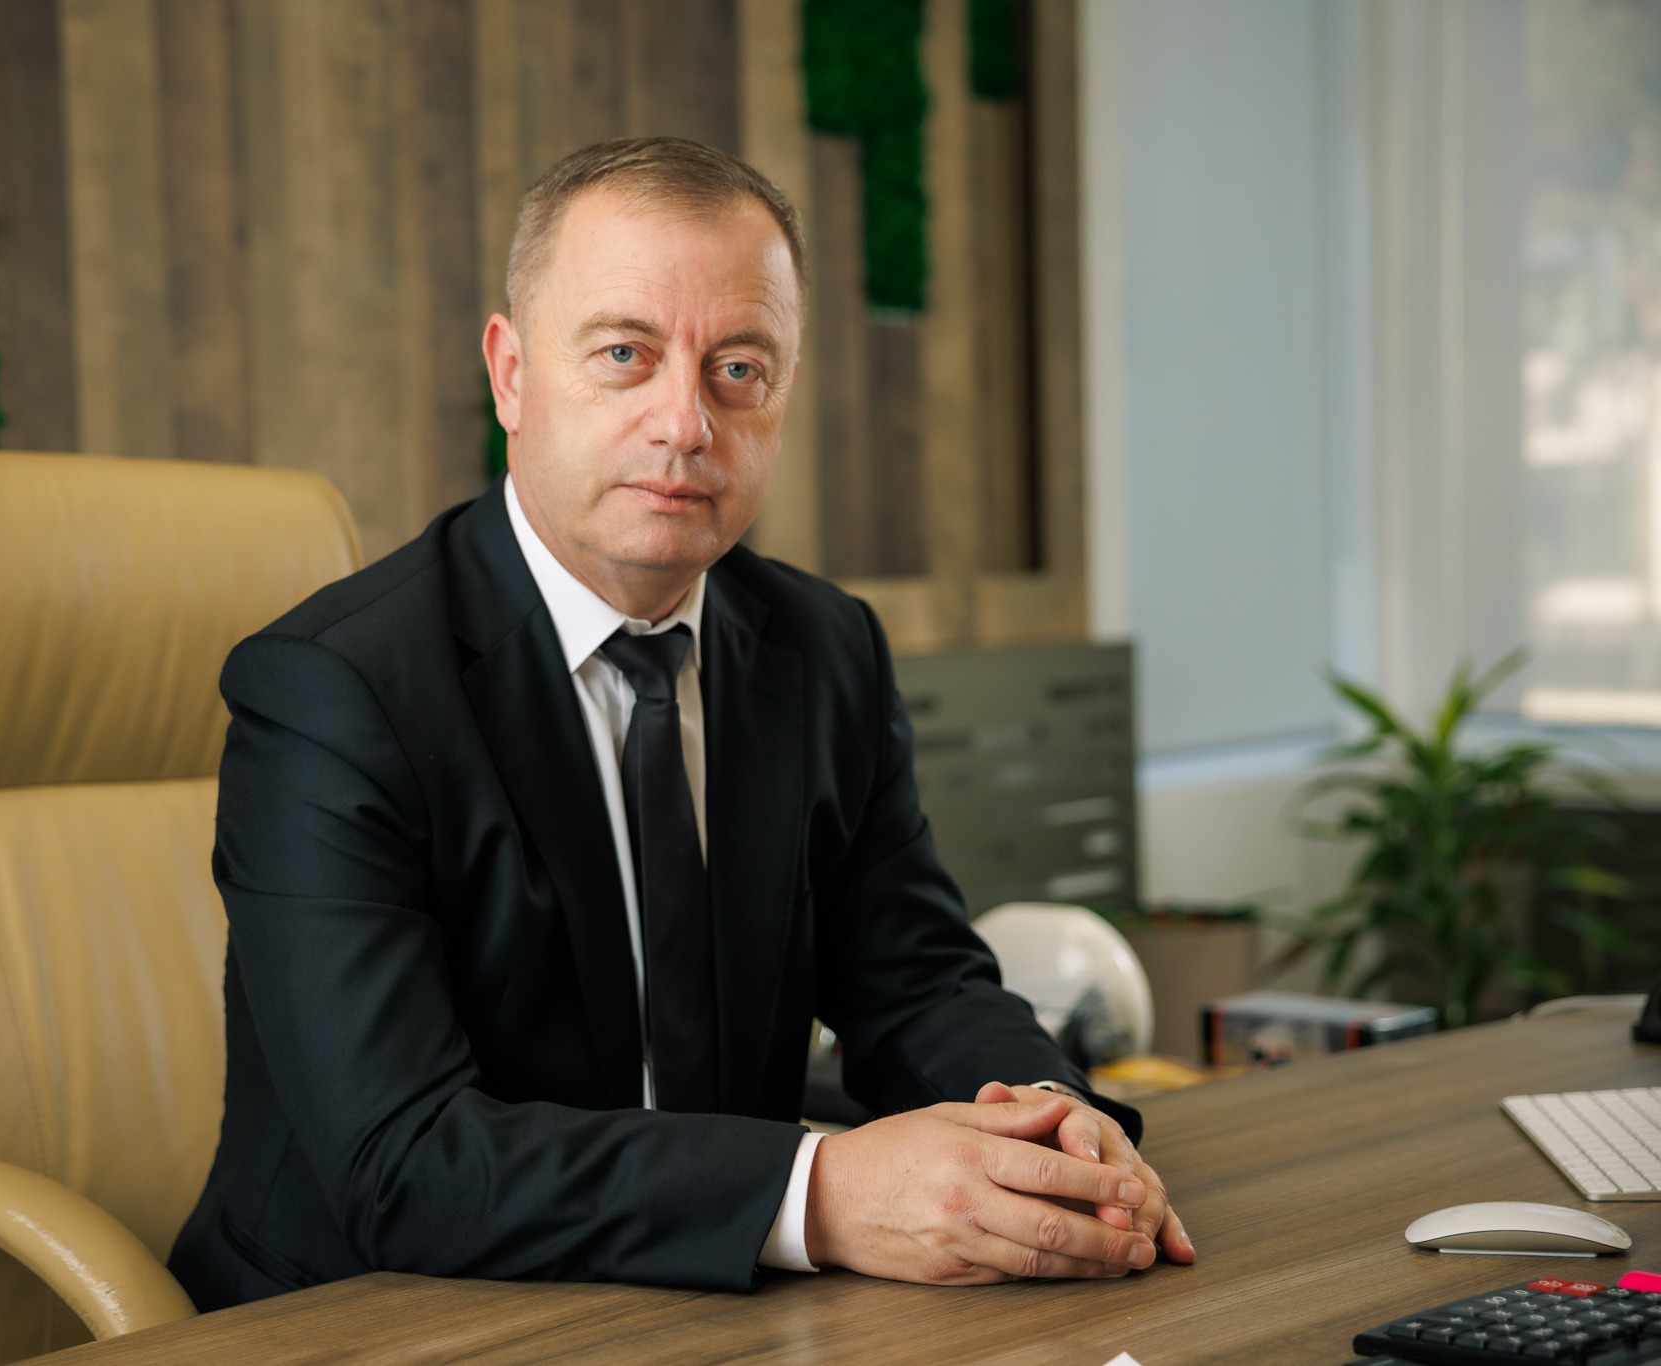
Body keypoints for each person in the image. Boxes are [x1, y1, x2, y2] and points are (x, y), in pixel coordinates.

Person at [169, 136, 1192, 1307]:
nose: (685, 423)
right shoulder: (334, 690)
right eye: (624, 354)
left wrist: (1046, 1123)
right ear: (510, 375)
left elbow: (915, 983)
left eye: (737, 368)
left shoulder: (823, 647)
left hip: (700, 1302)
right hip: (370, 1314)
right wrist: (820, 1190)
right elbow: (401, 1160)